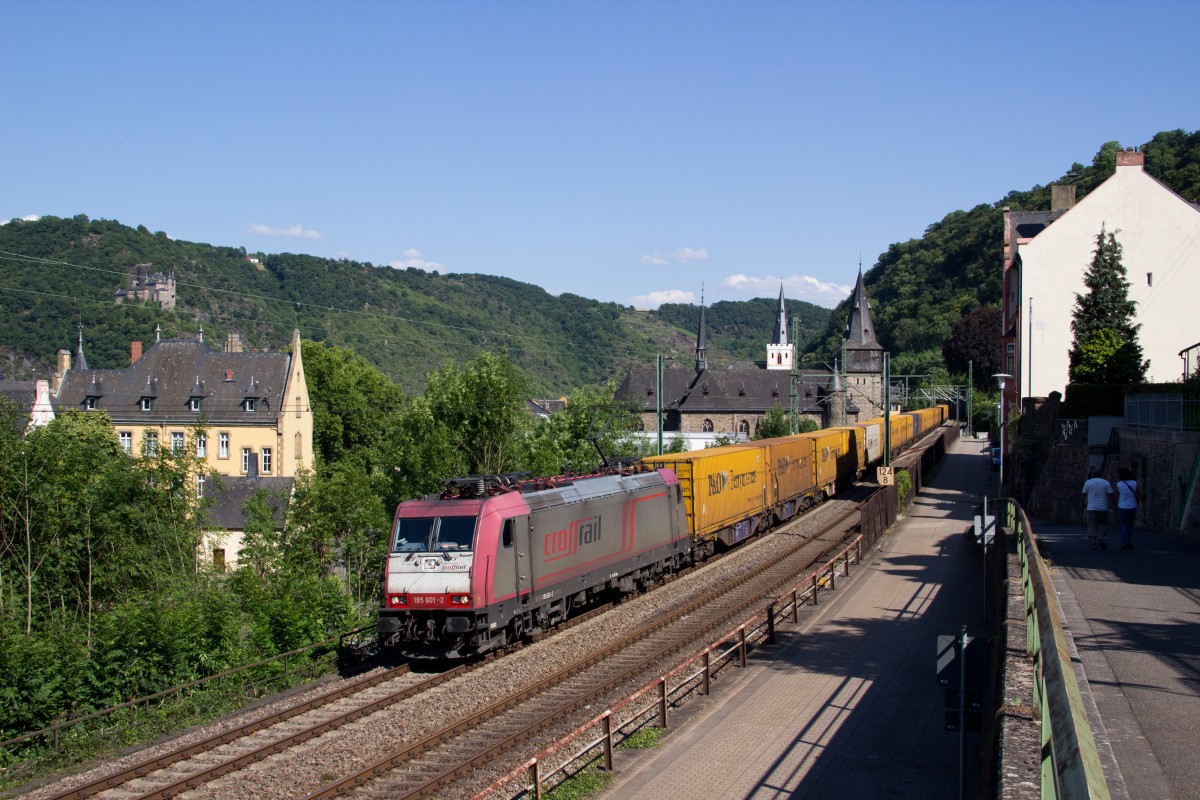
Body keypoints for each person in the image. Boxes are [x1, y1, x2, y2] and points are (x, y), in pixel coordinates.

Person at [1081, 467, 1114, 549]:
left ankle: (1093, 542)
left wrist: (1083, 503)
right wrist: (1114, 505)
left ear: (1092, 474)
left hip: (1091, 507)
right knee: (1103, 524)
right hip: (1103, 507)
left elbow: (1083, 494)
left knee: (1092, 524)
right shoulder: (1106, 483)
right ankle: (1101, 538)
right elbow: (1111, 495)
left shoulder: (1088, 482)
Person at [1116, 467, 1140, 550]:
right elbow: (1138, 494)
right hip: (1132, 506)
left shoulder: (1119, 484)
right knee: (1130, 525)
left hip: (1122, 506)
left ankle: (1125, 542)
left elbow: (1117, 495)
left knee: (1124, 525)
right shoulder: (1135, 483)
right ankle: (1129, 542)